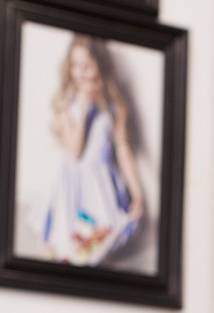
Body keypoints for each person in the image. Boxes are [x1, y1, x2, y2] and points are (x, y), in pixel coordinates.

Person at [38, 35, 144, 266]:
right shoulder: (66, 101)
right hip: (73, 185)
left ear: (100, 66)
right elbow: (75, 152)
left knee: (97, 244)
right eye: (74, 66)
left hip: (100, 186)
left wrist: (137, 193)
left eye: (86, 66)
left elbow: (123, 149)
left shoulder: (116, 106)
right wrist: (84, 107)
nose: (79, 73)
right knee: (68, 246)